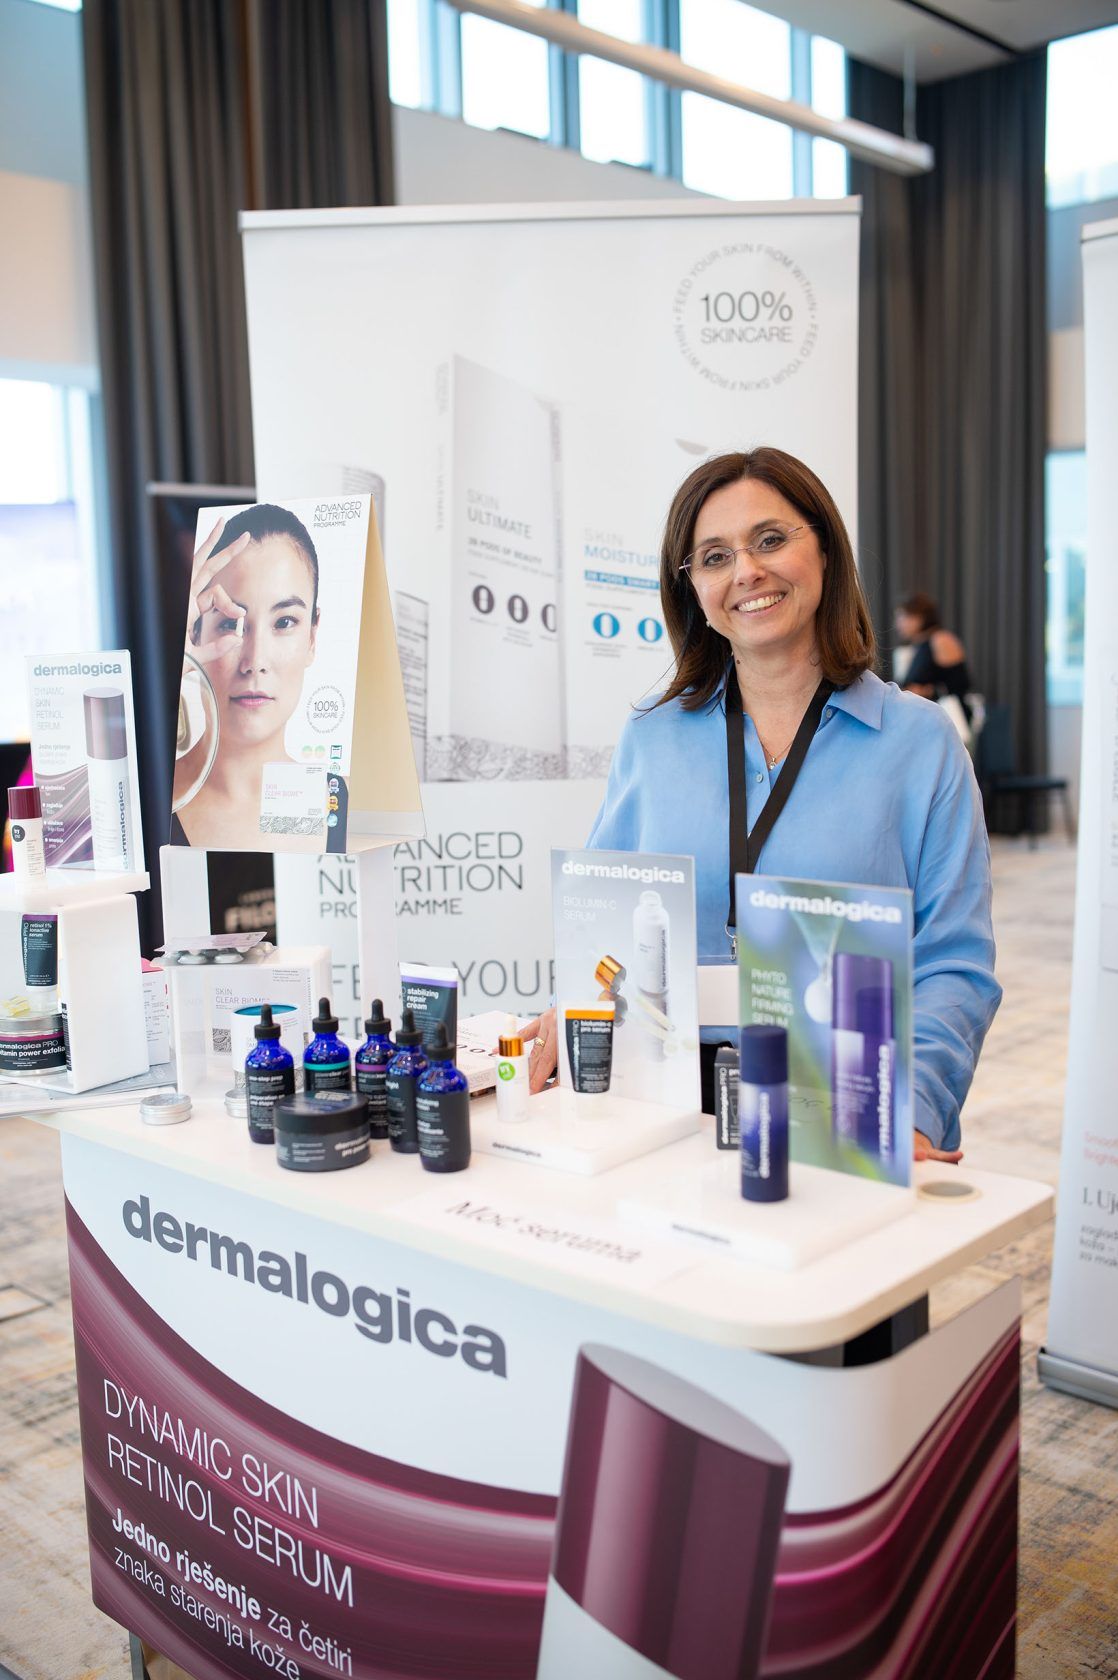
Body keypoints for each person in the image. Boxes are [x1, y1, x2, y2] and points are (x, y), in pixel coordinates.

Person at [525, 449, 1000, 1163]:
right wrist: (572, 1011)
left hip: (846, 1110)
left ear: (826, 551)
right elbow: (606, 931)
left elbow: (953, 964)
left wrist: (915, 1109)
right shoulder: (652, 738)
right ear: (692, 587)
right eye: (715, 557)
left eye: (771, 539)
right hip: (662, 1112)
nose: (746, 571)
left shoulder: (919, 743)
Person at [171, 504, 320, 849]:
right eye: (229, 623)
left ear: (312, 639)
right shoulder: (147, 797)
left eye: (284, 622)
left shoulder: (347, 807)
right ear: (194, 635)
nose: (255, 661)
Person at [895, 593, 973, 722]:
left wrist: (928, 690)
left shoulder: (941, 640)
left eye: (902, 617)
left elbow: (957, 684)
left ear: (918, 618)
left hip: (949, 717)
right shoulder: (917, 645)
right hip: (927, 715)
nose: (898, 624)